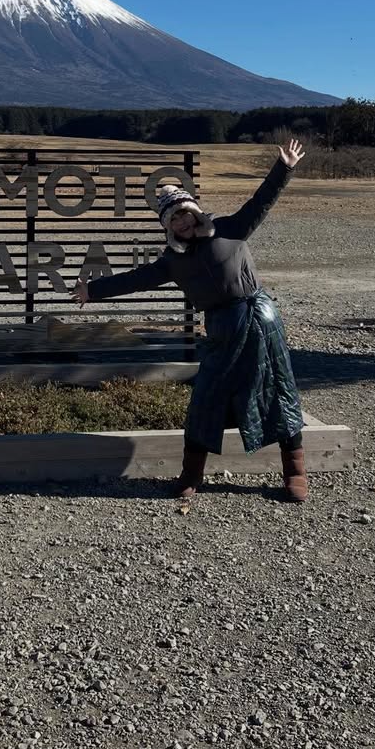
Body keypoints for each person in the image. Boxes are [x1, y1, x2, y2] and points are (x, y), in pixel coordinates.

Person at [72, 139, 309, 502]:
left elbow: (262, 201)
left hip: (262, 323)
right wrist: (93, 291)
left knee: (279, 393)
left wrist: (284, 167)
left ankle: (295, 470)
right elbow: (135, 279)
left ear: (194, 211)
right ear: (167, 225)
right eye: (173, 218)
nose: (182, 221)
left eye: (184, 212)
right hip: (221, 330)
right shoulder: (172, 261)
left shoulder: (231, 229)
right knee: (205, 398)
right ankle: (191, 473)